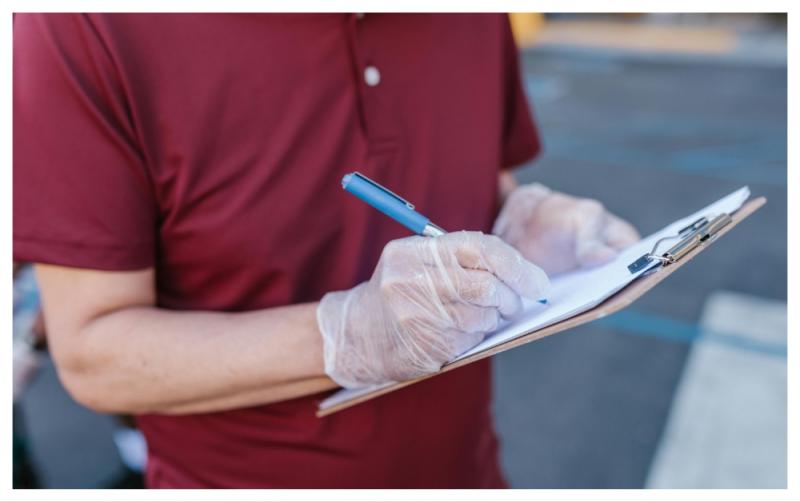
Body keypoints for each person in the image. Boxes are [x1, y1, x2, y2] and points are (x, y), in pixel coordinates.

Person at [13, 13, 639, 488]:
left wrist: (519, 220)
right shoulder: (83, 26)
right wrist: (349, 334)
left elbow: (480, 172)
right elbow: (94, 354)